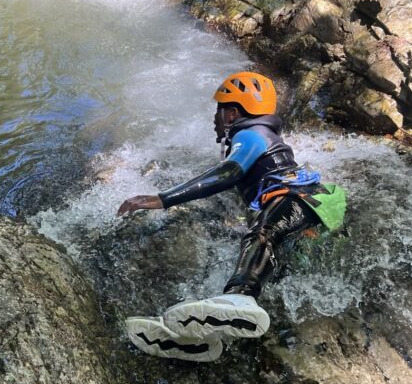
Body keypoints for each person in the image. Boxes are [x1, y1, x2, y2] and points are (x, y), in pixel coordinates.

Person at [118, 71, 347, 362]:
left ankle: (241, 295)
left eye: (218, 111)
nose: (214, 119)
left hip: (300, 201)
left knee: (261, 236)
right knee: (264, 265)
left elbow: (228, 174)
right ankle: (204, 341)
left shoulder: (250, 135)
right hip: (312, 216)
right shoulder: (265, 138)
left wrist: (162, 199)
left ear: (232, 114)